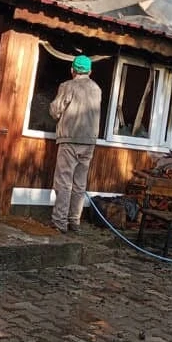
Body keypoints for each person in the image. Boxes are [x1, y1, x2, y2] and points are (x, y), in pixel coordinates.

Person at [49, 54, 102, 234]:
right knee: (80, 183)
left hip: (70, 139)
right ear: (90, 72)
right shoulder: (96, 89)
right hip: (89, 142)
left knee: (64, 181)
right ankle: (74, 221)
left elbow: (56, 111)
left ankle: (59, 222)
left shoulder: (68, 86)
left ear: (72, 70)